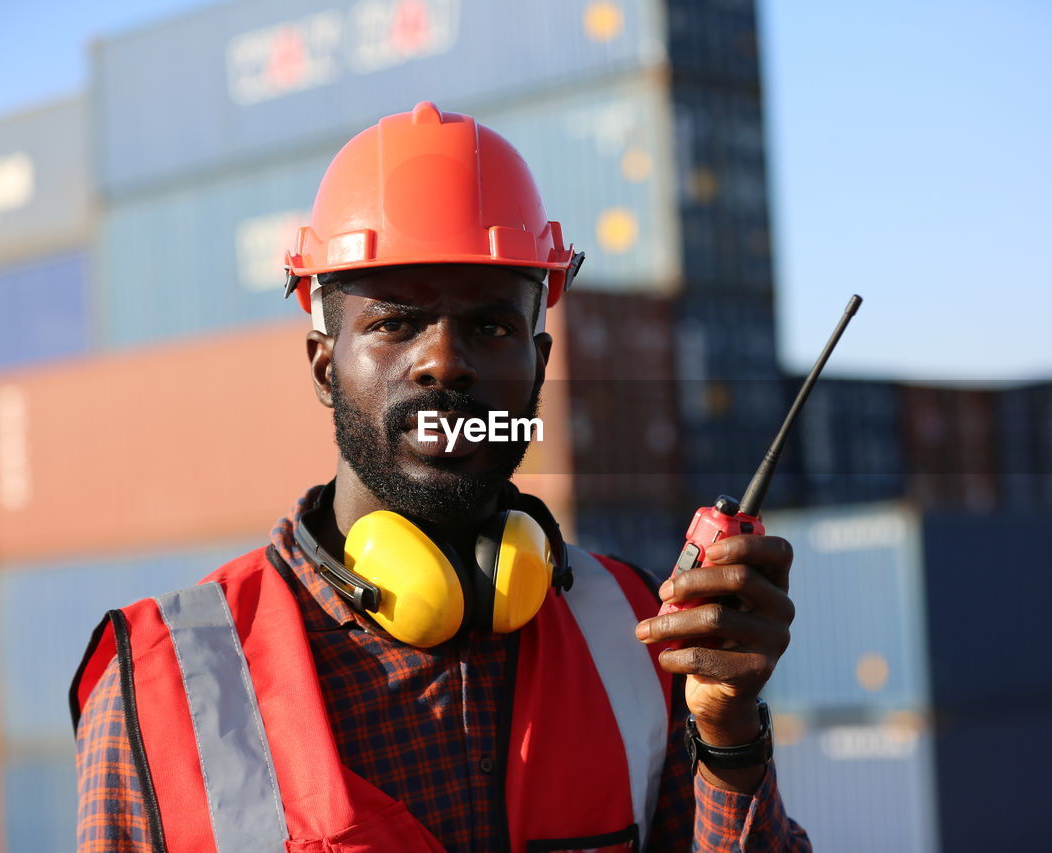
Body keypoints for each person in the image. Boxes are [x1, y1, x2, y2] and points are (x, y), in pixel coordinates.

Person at [72, 101, 811, 852]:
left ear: (539, 365)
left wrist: (728, 734)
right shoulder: (162, 688)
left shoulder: (637, 629)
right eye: (394, 321)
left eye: (491, 326)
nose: (445, 361)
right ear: (324, 367)